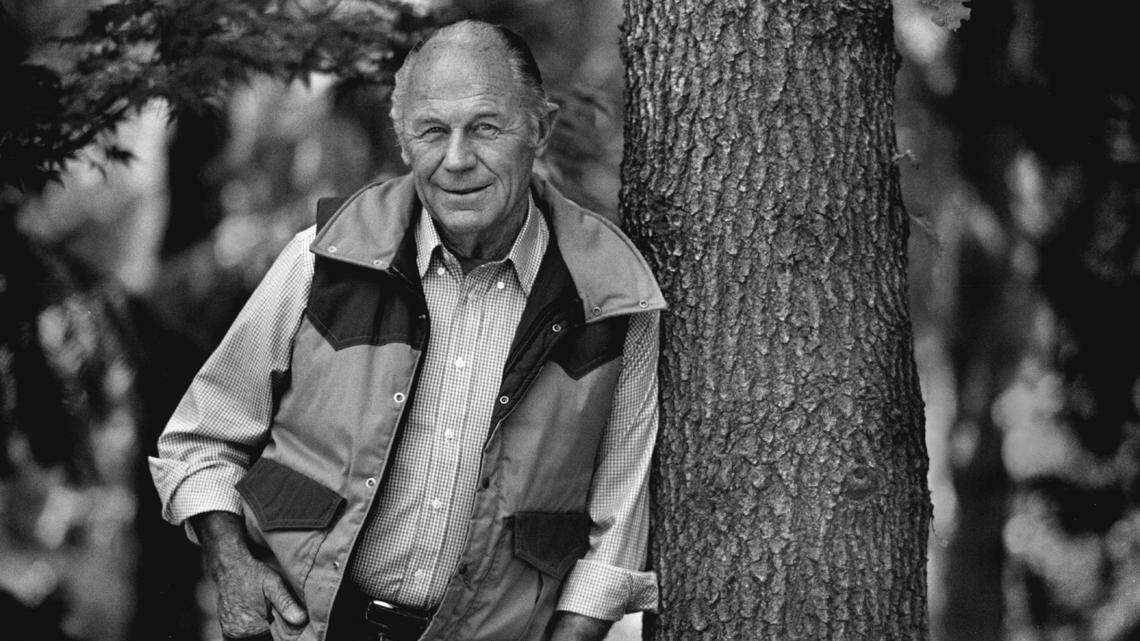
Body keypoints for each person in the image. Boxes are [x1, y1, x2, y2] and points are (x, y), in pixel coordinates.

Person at [150, 19, 664, 641]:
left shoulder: (611, 295)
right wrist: (231, 566)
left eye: (485, 128)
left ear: (540, 130)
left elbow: (617, 534)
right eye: (431, 132)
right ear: (404, 143)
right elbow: (201, 444)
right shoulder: (323, 258)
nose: (456, 160)